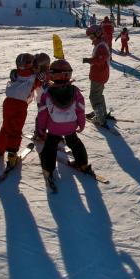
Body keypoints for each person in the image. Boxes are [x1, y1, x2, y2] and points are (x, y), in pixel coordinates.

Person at [35, 59, 90, 190]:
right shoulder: (75, 91)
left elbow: (43, 113)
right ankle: (82, 164)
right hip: (71, 127)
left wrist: (41, 128)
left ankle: (48, 170)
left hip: (54, 128)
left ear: (53, 74)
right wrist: (81, 123)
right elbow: (80, 109)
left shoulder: (47, 93)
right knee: (75, 143)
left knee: (50, 147)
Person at [0, 53, 41, 168]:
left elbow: (23, 74)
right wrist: (40, 72)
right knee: (15, 130)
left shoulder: (15, 73)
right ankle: (12, 156)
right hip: (20, 105)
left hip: (8, 102)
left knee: (6, 127)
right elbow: (40, 81)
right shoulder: (34, 77)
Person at [83, 25, 110, 127]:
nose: (91, 39)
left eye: (92, 37)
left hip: (99, 74)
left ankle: (100, 119)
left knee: (94, 96)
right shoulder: (100, 43)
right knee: (98, 94)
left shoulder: (101, 45)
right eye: (90, 37)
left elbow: (101, 59)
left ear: (98, 34)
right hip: (100, 73)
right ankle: (102, 112)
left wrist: (89, 60)